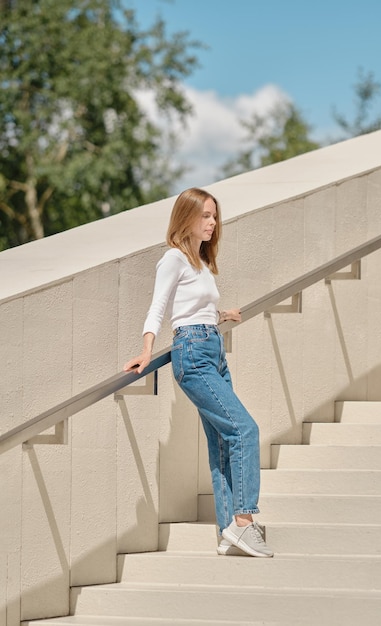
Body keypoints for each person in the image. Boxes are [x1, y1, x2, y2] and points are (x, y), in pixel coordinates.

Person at [124, 187, 273, 558]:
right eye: (205, 216)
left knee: (224, 440)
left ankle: (227, 531)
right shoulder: (173, 258)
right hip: (192, 353)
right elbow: (159, 307)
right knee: (244, 429)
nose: (212, 222)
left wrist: (223, 315)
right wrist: (146, 349)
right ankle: (243, 522)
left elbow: (194, 309)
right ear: (186, 218)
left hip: (212, 347)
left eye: (214, 216)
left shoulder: (202, 263)